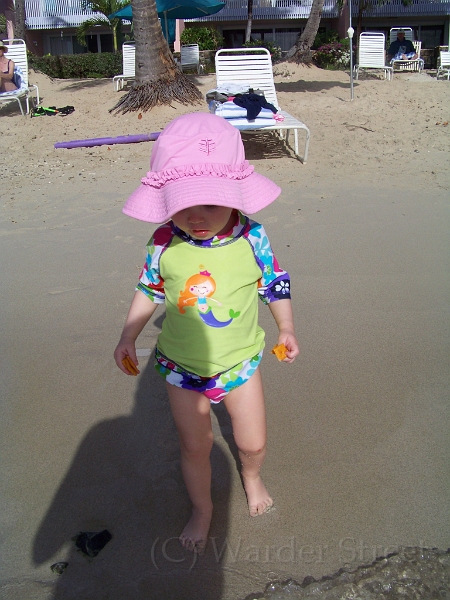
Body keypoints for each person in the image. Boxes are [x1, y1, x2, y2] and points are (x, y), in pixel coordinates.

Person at [114, 113, 300, 553]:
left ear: (235, 198)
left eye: (211, 205)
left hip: (240, 363)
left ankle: (251, 476)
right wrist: (128, 335)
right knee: (194, 446)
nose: (196, 217)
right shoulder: (164, 240)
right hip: (182, 369)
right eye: (183, 206)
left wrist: (286, 327)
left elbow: (273, 282)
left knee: (252, 441)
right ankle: (202, 508)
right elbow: (149, 289)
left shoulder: (252, 237)